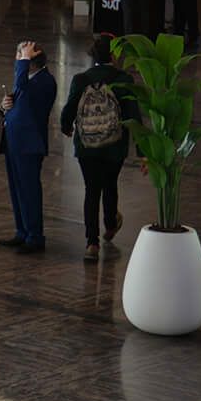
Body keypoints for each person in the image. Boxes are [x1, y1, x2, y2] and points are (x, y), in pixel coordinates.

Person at [61, 34, 140, 260]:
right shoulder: (124, 79)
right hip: (115, 146)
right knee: (110, 184)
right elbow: (133, 115)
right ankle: (110, 223)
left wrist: (66, 127)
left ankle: (91, 243)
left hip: (87, 146)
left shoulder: (80, 79)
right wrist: (143, 152)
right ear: (114, 55)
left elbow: (69, 109)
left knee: (91, 190)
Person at [0, 41, 58, 253]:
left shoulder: (45, 81)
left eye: (20, 56)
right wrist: (4, 107)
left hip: (29, 144)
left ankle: (35, 236)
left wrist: (24, 59)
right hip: (14, 141)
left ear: (31, 61)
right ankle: (22, 231)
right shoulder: (27, 78)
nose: (16, 61)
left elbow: (23, 88)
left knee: (29, 191)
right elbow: (20, 102)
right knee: (17, 190)